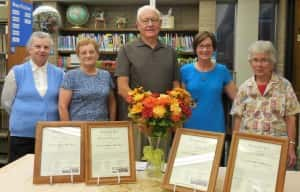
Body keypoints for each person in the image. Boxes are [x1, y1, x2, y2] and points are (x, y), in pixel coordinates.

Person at [115, 5, 180, 159]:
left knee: (161, 163)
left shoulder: (170, 52)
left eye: (154, 20)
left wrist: (172, 113)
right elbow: (122, 87)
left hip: (163, 121)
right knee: (136, 163)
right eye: (145, 21)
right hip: (137, 121)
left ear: (160, 24)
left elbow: (176, 86)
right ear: (138, 25)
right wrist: (145, 110)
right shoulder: (126, 49)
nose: (150, 24)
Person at [230, 40, 300, 168]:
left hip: (277, 148)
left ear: (272, 62)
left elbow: (291, 118)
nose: (259, 65)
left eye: (264, 60)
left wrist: (291, 146)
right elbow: (238, 119)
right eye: (255, 60)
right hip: (249, 148)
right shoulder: (244, 88)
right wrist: (235, 146)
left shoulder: (285, 86)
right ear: (250, 63)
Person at [1, 31, 64, 162]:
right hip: (22, 133)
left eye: (46, 47)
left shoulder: (60, 73)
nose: (42, 50)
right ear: (29, 49)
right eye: (38, 46)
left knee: (47, 172)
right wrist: (24, 115)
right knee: (19, 173)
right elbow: (6, 102)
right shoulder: (16, 72)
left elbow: (61, 101)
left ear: (50, 50)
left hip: (50, 133)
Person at [181, 31, 236, 133]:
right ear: (195, 49)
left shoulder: (222, 71)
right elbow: (180, 101)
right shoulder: (185, 70)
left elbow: (237, 98)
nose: (205, 49)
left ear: (214, 48)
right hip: (190, 123)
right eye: (201, 46)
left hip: (215, 125)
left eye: (208, 46)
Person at [59, 38, 116, 121]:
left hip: (101, 128)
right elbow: (62, 106)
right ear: (78, 56)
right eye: (83, 53)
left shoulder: (106, 75)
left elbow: (111, 102)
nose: (88, 55)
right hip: (78, 128)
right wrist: (68, 129)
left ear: (97, 54)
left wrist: (112, 124)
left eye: (91, 52)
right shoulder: (70, 76)